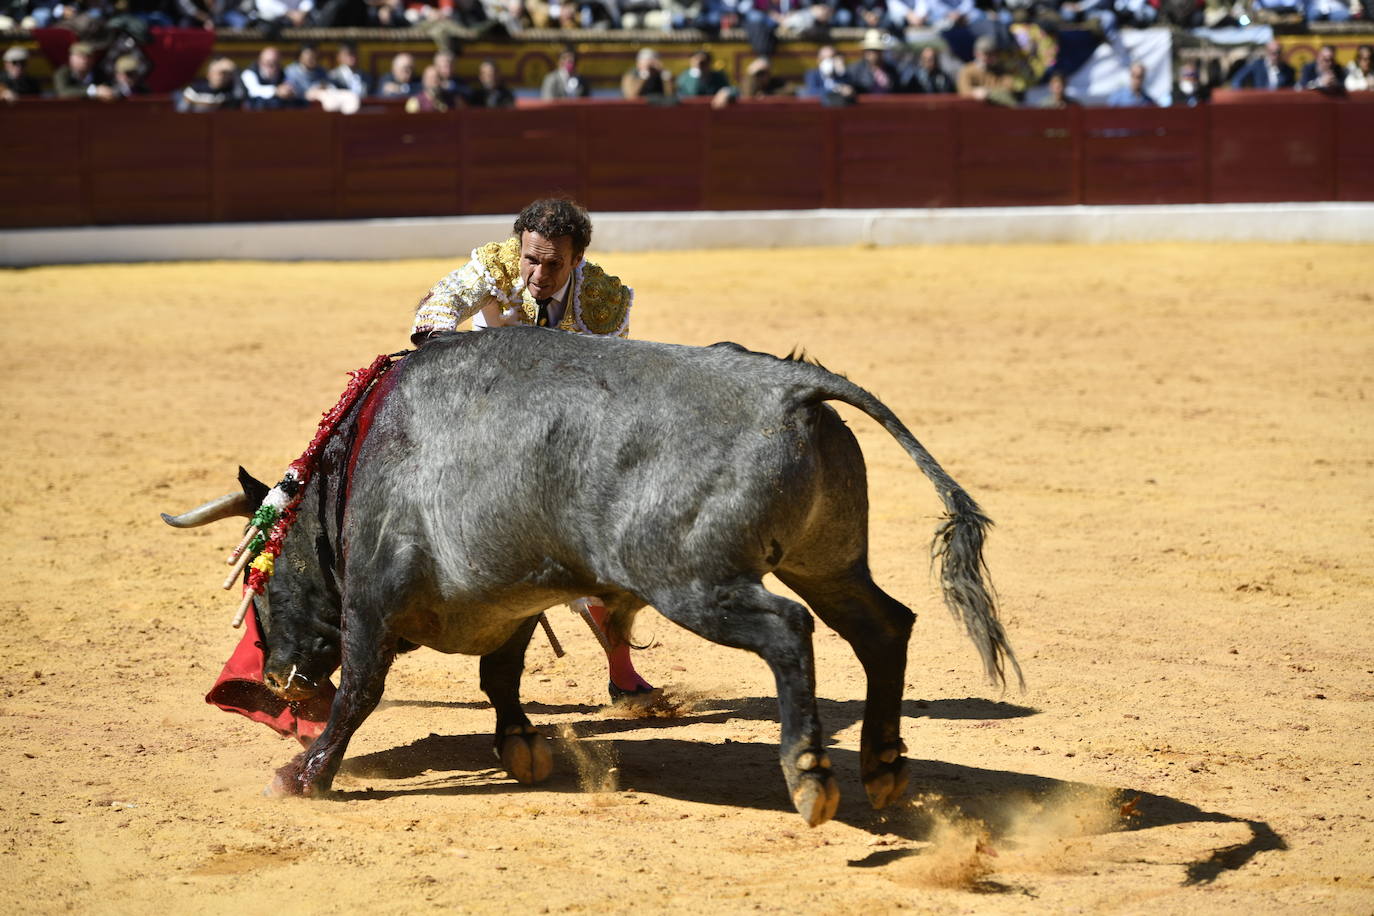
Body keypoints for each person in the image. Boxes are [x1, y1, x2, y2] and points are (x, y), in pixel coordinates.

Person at [409, 198, 656, 703]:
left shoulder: (608, 301)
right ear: (518, 247)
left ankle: (621, 670)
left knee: (599, 548)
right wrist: (464, 355)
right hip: (479, 414)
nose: (539, 274)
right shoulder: (492, 264)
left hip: (559, 432)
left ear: (577, 260)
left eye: (553, 264)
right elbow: (436, 308)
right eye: (531, 259)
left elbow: (606, 387)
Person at [956, 34, 1017, 106]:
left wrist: (988, 92)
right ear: (977, 54)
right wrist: (974, 92)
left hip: (998, 109)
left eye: (993, 54)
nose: (991, 57)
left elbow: (1009, 86)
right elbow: (963, 90)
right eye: (986, 54)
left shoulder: (1001, 69)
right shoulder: (967, 70)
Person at [178, 55, 244, 111]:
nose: (221, 77)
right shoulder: (195, 89)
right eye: (218, 73)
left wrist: (235, 70)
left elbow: (240, 96)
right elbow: (181, 110)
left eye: (226, 74)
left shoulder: (230, 90)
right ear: (209, 74)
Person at [1229, 40, 1295, 90]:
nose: (1275, 56)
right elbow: (1237, 80)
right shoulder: (1257, 65)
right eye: (1272, 52)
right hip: (1259, 101)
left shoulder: (1288, 70)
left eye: (1278, 52)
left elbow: (1291, 88)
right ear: (1267, 52)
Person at [848, 29, 898, 94]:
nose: (872, 53)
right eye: (869, 50)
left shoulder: (891, 70)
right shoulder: (855, 70)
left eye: (876, 50)